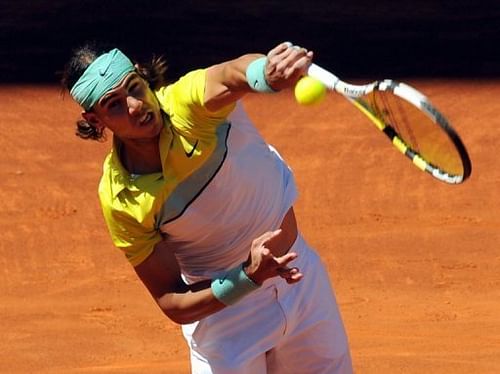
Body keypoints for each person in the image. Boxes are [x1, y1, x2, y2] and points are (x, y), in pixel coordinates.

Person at [62, 41, 352, 373]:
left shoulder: (188, 105)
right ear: (94, 120)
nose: (135, 105)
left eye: (134, 88)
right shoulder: (121, 199)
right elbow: (172, 301)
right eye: (113, 105)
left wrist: (266, 72)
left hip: (304, 289)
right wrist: (247, 277)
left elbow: (233, 74)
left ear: (142, 77)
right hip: (226, 322)